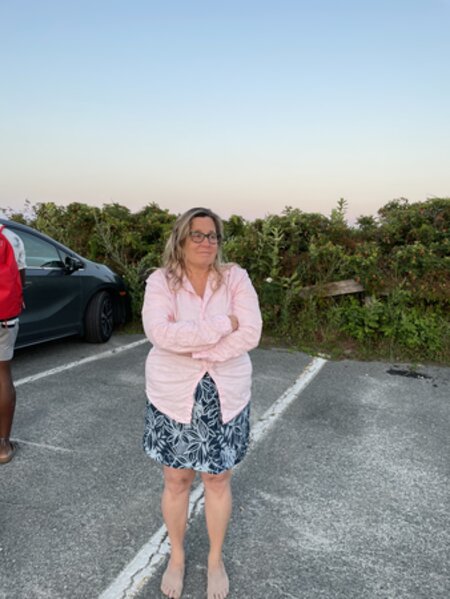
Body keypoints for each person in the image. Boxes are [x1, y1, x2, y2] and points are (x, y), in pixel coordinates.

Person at [142, 207, 262, 599]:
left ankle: (214, 559)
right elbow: (160, 333)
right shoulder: (161, 281)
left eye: (213, 236)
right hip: (173, 393)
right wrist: (223, 325)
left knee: (217, 479)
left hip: (224, 394)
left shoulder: (235, 277)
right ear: (181, 239)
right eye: (198, 234)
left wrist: (201, 349)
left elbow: (252, 332)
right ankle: (177, 557)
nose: (207, 242)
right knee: (176, 480)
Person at [0, 224, 26, 464]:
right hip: (4, 319)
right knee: (2, 374)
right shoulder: (12, 238)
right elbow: (21, 279)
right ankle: (3, 446)